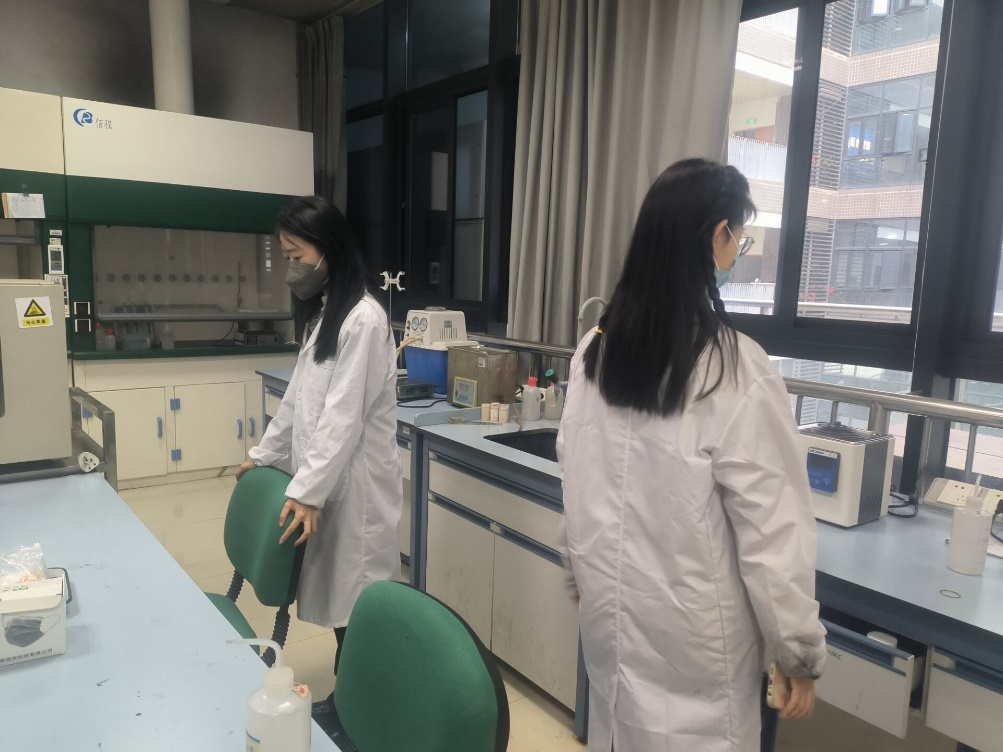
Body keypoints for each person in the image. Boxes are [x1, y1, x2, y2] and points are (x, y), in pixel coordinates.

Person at [557, 159, 826, 752]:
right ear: (716, 235)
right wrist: (797, 650)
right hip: (697, 651)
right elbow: (772, 532)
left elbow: (574, 480)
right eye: (739, 239)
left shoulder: (593, 354)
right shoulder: (735, 369)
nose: (736, 252)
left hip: (614, 628)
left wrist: (578, 571)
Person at [236, 196, 402, 718]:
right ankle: (352, 699)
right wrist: (264, 454)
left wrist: (307, 492)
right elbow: (298, 400)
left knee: (358, 603)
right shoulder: (328, 315)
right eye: (286, 257)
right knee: (341, 601)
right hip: (330, 484)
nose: (292, 268)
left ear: (328, 249)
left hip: (357, 490)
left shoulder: (364, 320)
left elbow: (342, 417)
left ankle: (360, 710)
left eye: (296, 255)